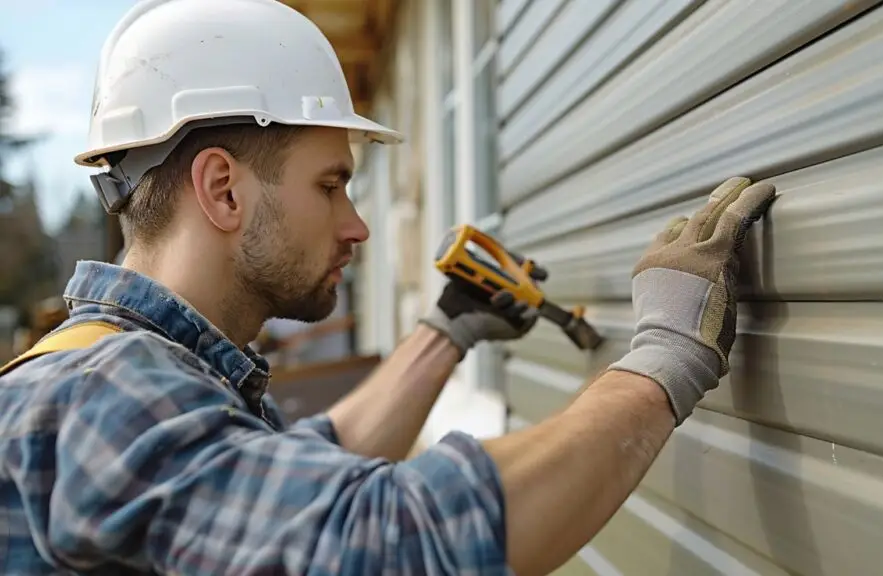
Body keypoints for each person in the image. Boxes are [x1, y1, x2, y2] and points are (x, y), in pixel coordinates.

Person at [0, 0, 776, 574]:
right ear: (224, 192)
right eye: (331, 184)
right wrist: (664, 360)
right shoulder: (110, 391)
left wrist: (446, 333)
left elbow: (280, 478)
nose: (356, 226)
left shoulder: (144, 373)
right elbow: (385, 543)